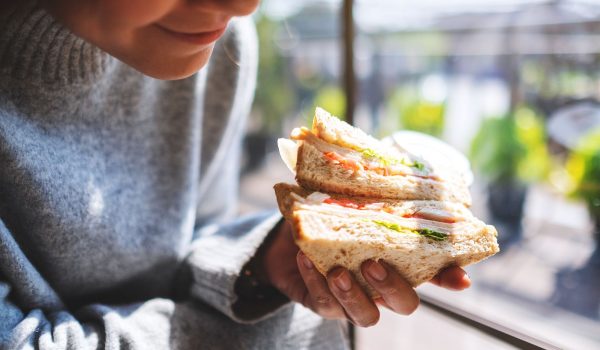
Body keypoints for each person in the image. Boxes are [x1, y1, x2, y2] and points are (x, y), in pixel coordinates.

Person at [0, 0, 471, 349]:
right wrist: (276, 333)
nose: (244, 5)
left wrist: (260, 267)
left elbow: (190, 239)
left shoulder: (217, 45)